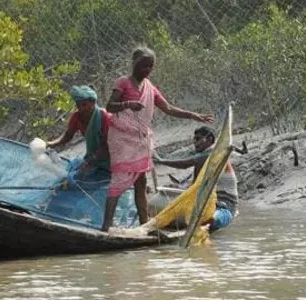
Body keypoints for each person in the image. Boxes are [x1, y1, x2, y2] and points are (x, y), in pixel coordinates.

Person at [101, 46, 215, 232]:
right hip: (123, 141)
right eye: (143, 66)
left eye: (150, 66)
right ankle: (106, 227)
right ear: (134, 64)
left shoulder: (149, 88)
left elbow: (168, 108)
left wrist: (194, 115)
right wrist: (128, 104)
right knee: (118, 182)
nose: (147, 70)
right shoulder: (123, 82)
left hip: (141, 141)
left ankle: (144, 225)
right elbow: (110, 107)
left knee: (141, 182)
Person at [155, 126, 239, 232]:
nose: (195, 142)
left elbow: (185, 164)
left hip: (225, 208)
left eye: (198, 139)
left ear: (209, 140)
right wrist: (179, 187)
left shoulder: (212, 154)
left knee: (207, 219)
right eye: (194, 140)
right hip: (209, 203)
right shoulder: (203, 159)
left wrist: (161, 161)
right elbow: (196, 185)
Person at [46, 85, 112, 175]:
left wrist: (90, 162)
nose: (81, 108)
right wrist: (51, 144)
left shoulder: (106, 118)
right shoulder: (77, 117)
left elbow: (108, 146)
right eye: (78, 105)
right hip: (93, 157)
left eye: (84, 104)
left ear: (93, 102)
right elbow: (68, 135)